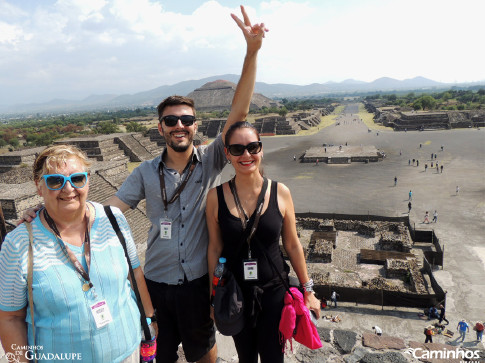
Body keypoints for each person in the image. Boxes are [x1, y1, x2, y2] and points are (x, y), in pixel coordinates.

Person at [20, 7, 267, 363]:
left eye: (186, 120)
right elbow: (108, 210)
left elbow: (238, 114)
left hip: (197, 281)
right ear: (160, 127)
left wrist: (252, 52)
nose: (179, 125)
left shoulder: (211, 160)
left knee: (203, 351)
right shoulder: (145, 173)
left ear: (195, 126)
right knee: (158, 352)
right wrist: (46, 212)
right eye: (171, 120)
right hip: (155, 281)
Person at [0, 145, 155, 362]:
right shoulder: (18, 244)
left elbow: (135, 274)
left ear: (88, 180)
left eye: (77, 179)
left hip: (128, 352)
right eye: (55, 181)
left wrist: (150, 319)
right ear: (39, 186)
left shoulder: (113, 219)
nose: (68, 188)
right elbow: (10, 318)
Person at [206, 121, 320, 363]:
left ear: (261, 149)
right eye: (237, 149)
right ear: (227, 153)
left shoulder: (281, 192)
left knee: (273, 357)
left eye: (252, 147)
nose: (246, 155)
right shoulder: (215, 197)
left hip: (274, 293)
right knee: (245, 357)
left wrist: (308, 291)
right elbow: (214, 248)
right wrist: (213, 296)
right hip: (235, 294)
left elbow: (292, 245)